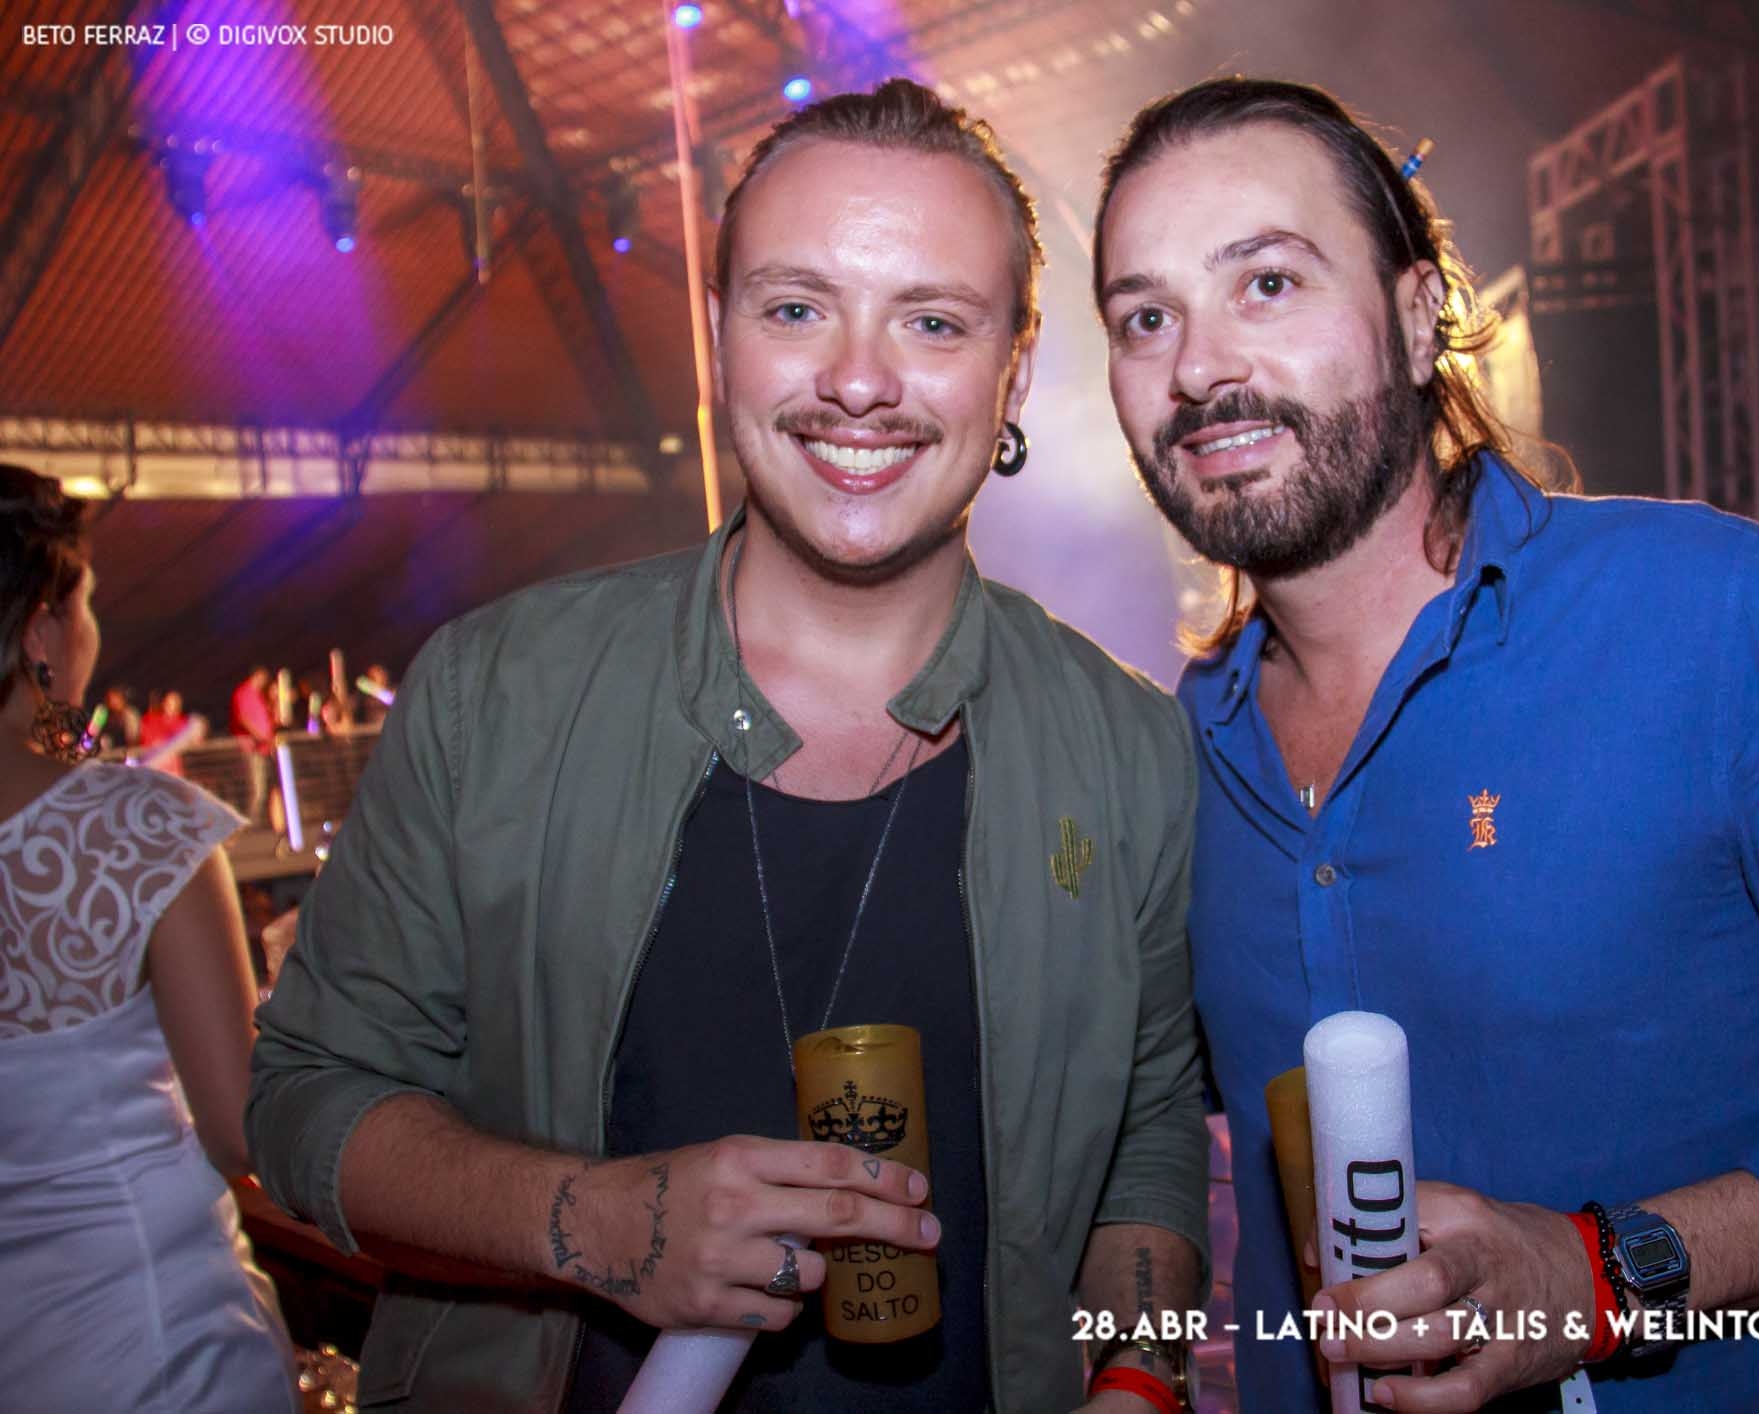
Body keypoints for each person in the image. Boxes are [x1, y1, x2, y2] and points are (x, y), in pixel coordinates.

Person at [1093, 78, 1759, 1413]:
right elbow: (1149, 1122)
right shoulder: (1182, 743)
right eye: (1145, 316)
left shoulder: (1716, 617)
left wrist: (1602, 1274)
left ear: (1417, 316)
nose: (1198, 367)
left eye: (1267, 284)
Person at [250, 80, 1207, 1414]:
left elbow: (1150, 1129)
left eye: (932, 321)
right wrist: (590, 1221)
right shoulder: (494, 694)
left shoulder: (1128, 746)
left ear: (1015, 366)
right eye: (796, 308)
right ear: (718, 337)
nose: (858, 381)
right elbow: (306, 1100)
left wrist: (1141, 1373)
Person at [0, 465, 297, 1411]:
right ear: (40, 629)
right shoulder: (140, 826)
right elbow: (238, 1127)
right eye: (85, 604)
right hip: (155, 1343)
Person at [230, 664, 277, 823]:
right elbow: (243, 718)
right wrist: (259, 736)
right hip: (250, 748)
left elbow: (268, 719)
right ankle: (249, 822)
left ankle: (257, 821)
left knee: (264, 788)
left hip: (263, 749)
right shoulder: (243, 692)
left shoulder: (259, 695)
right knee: (256, 789)